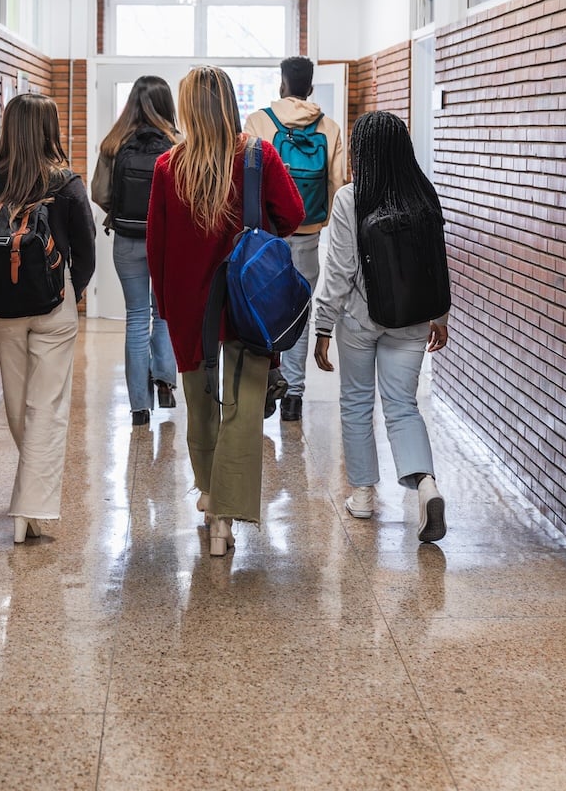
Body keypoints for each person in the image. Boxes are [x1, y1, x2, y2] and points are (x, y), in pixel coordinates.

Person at [146, 66, 304, 556]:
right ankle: (224, 523)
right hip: (248, 301)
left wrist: (167, 305)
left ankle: (210, 494)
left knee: (200, 406)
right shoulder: (258, 155)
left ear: (189, 108)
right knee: (243, 407)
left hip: (191, 303)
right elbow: (295, 214)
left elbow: (156, 248)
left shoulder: (169, 166)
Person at [313, 111, 449, 544]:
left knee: (356, 402)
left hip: (359, 318)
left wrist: (322, 325)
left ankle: (364, 495)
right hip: (411, 319)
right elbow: (437, 266)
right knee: (402, 405)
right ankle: (426, 486)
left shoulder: (352, 198)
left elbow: (338, 269)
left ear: (361, 152)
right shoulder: (424, 196)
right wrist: (440, 317)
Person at [0, 93, 96, 544]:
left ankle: (31, 503)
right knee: (48, 406)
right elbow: (85, 251)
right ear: (49, 129)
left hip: (1, 308)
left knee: (18, 399)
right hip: (52, 305)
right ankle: (31, 507)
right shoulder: (64, 182)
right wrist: (71, 292)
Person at [244, 56, 344, 421]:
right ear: (311, 88)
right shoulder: (330, 128)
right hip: (307, 235)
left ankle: (268, 384)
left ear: (282, 85)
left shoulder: (258, 122)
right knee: (299, 313)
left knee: (258, 309)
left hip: (266, 235)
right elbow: (336, 183)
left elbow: (248, 178)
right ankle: (295, 396)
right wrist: (319, 221)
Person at [92, 76, 179, 426]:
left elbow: (99, 193)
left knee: (137, 317)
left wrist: (119, 210)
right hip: (166, 243)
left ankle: (139, 407)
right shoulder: (176, 144)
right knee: (163, 314)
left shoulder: (113, 144)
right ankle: (165, 380)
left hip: (127, 241)